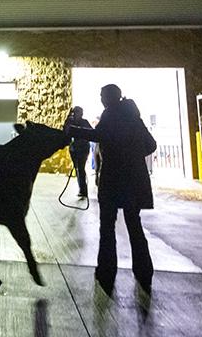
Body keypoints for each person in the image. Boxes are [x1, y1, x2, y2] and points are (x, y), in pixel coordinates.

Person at [65, 84, 157, 295]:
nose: (100, 99)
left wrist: (74, 130)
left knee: (107, 227)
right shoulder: (133, 117)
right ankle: (144, 272)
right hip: (134, 181)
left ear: (109, 98)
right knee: (135, 226)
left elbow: (100, 136)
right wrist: (133, 154)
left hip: (113, 179)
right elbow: (151, 145)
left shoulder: (111, 115)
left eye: (102, 96)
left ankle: (106, 273)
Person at [65, 106, 92, 198]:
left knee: (81, 168)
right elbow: (65, 131)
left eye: (81, 113)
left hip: (83, 148)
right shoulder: (70, 121)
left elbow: (91, 133)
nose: (80, 114)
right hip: (74, 148)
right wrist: (68, 119)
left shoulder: (84, 122)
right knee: (77, 168)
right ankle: (82, 189)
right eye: (78, 112)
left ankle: (83, 190)